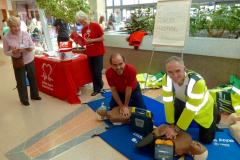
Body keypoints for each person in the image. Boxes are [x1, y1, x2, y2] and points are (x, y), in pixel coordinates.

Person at [162, 56, 220, 144]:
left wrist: (176, 130)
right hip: (181, 101)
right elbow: (168, 102)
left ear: (184, 69)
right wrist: (171, 125)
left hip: (203, 107)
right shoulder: (166, 79)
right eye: (170, 72)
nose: (174, 76)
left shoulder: (198, 82)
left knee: (207, 140)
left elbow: (191, 109)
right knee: (175, 124)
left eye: (178, 71)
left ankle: (216, 115)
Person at [3, 16, 41, 106]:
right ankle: (24, 99)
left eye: (18, 26)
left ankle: (35, 95)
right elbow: (5, 52)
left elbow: (32, 45)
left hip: (29, 59)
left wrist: (30, 48)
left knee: (32, 78)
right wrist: (13, 51)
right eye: (14, 26)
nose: (17, 28)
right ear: (9, 26)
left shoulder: (25, 33)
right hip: (18, 61)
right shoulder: (6, 37)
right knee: (21, 81)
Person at [105, 53, 146, 117]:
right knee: (112, 107)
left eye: (120, 64)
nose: (118, 67)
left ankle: (129, 103)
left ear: (125, 62)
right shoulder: (108, 73)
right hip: (119, 91)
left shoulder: (131, 70)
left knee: (143, 111)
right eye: (115, 65)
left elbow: (128, 89)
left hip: (133, 90)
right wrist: (121, 106)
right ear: (111, 65)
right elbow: (114, 91)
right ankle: (127, 103)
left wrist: (126, 106)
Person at [75, 10, 105, 96]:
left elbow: (102, 38)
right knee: (93, 71)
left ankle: (97, 89)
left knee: (97, 71)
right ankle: (100, 85)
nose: (82, 23)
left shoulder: (95, 25)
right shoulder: (83, 29)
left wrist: (93, 40)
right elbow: (85, 41)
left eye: (82, 21)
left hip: (98, 52)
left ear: (85, 18)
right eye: (80, 22)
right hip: (89, 52)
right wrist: (79, 40)